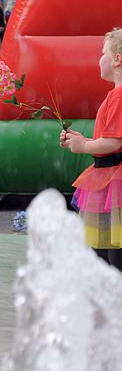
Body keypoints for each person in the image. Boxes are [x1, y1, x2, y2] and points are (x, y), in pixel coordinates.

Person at [62, 28, 122, 270]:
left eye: (103, 52)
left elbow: (115, 142)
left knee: (112, 249)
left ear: (117, 59)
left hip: (113, 180)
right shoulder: (114, 96)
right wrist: (84, 139)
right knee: (105, 246)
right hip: (107, 178)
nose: (100, 58)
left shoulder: (119, 98)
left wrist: (84, 145)